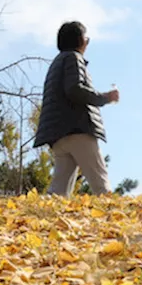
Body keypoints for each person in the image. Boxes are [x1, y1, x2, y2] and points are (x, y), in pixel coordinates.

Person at [33, 20, 120, 195]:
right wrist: (105, 98)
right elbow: (75, 89)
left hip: (57, 134)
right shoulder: (74, 58)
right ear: (80, 40)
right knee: (100, 182)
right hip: (77, 128)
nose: (87, 43)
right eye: (86, 38)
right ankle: (114, 216)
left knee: (59, 190)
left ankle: (45, 219)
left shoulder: (57, 63)